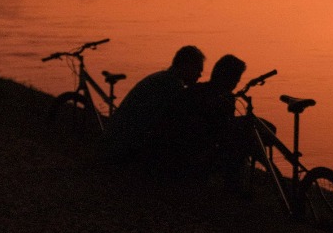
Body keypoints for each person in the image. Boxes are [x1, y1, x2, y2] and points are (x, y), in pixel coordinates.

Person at [103, 45, 245, 170]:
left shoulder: (162, 78)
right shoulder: (172, 87)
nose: (200, 75)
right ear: (186, 65)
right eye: (197, 70)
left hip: (117, 142)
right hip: (124, 148)